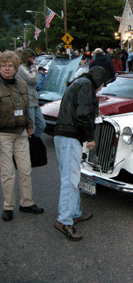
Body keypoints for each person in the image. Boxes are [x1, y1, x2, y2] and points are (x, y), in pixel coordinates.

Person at [53, 65, 108, 241]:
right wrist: (90, 138)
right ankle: (64, 221)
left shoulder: (79, 82)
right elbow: (82, 114)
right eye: (103, 84)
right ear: (100, 81)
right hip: (70, 137)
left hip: (64, 135)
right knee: (70, 180)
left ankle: (74, 212)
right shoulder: (86, 86)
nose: (102, 88)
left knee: (72, 177)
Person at [0, 50, 44, 222]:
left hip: (21, 133)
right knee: (8, 173)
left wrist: (30, 125)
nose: (6, 69)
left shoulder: (21, 84)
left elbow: (26, 108)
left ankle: (26, 203)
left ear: (16, 67)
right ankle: (8, 206)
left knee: (25, 170)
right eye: (3, 65)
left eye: (10, 65)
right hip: (3, 134)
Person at [16, 49, 46, 137]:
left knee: (41, 124)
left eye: (33, 59)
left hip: (34, 99)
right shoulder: (22, 68)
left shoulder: (28, 68)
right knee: (30, 126)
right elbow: (34, 79)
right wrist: (33, 67)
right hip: (28, 99)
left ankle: (34, 140)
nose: (32, 61)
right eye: (30, 58)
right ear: (25, 58)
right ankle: (29, 142)